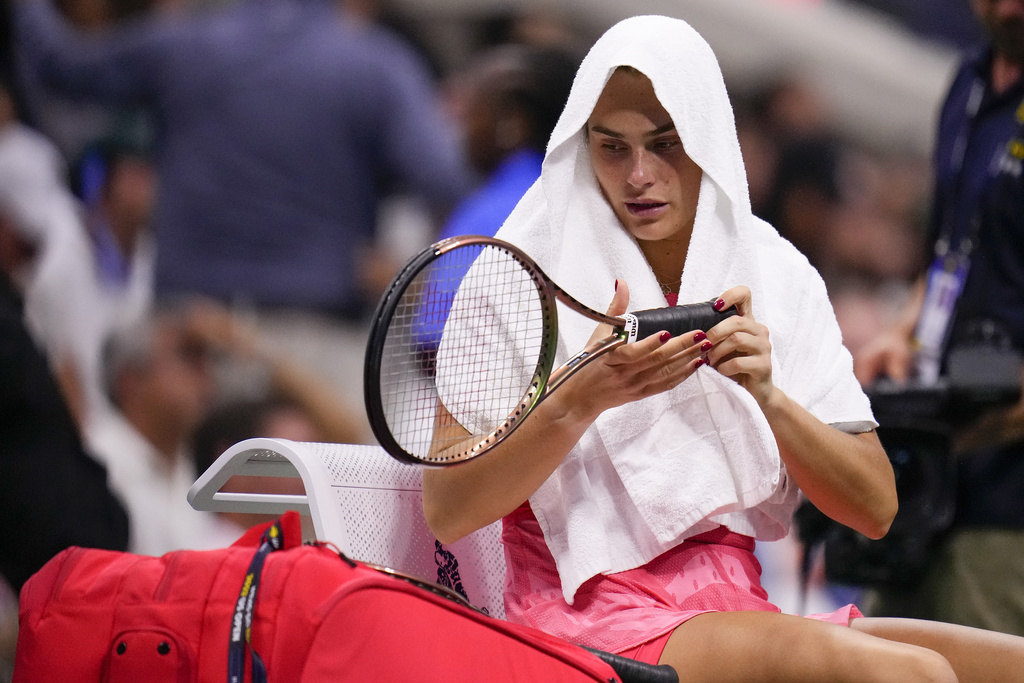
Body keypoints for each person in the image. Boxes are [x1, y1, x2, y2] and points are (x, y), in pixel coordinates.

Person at [421, 15, 1024, 680]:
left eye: (665, 143)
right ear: (580, 143)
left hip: (737, 600)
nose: (639, 174)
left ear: (708, 135)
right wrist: (578, 400)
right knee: (912, 675)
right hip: (585, 621)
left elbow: (875, 506)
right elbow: (449, 509)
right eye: (612, 147)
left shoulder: (776, 271)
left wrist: (769, 398)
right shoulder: (516, 276)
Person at [12, 0, 472, 421]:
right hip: (311, 345)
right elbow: (447, 178)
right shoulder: (373, 64)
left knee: (184, 506)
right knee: (322, 509)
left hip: (188, 348)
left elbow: (61, 67)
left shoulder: (185, 45)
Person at [854, 0, 1024, 635]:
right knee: (877, 663)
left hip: (1009, 501)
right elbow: (951, 251)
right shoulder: (969, 83)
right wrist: (901, 331)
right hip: (927, 463)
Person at [437, 43, 577, 241]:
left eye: (472, 113)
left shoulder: (484, 219)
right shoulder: (579, 197)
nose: (462, 131)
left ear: (513, 123)